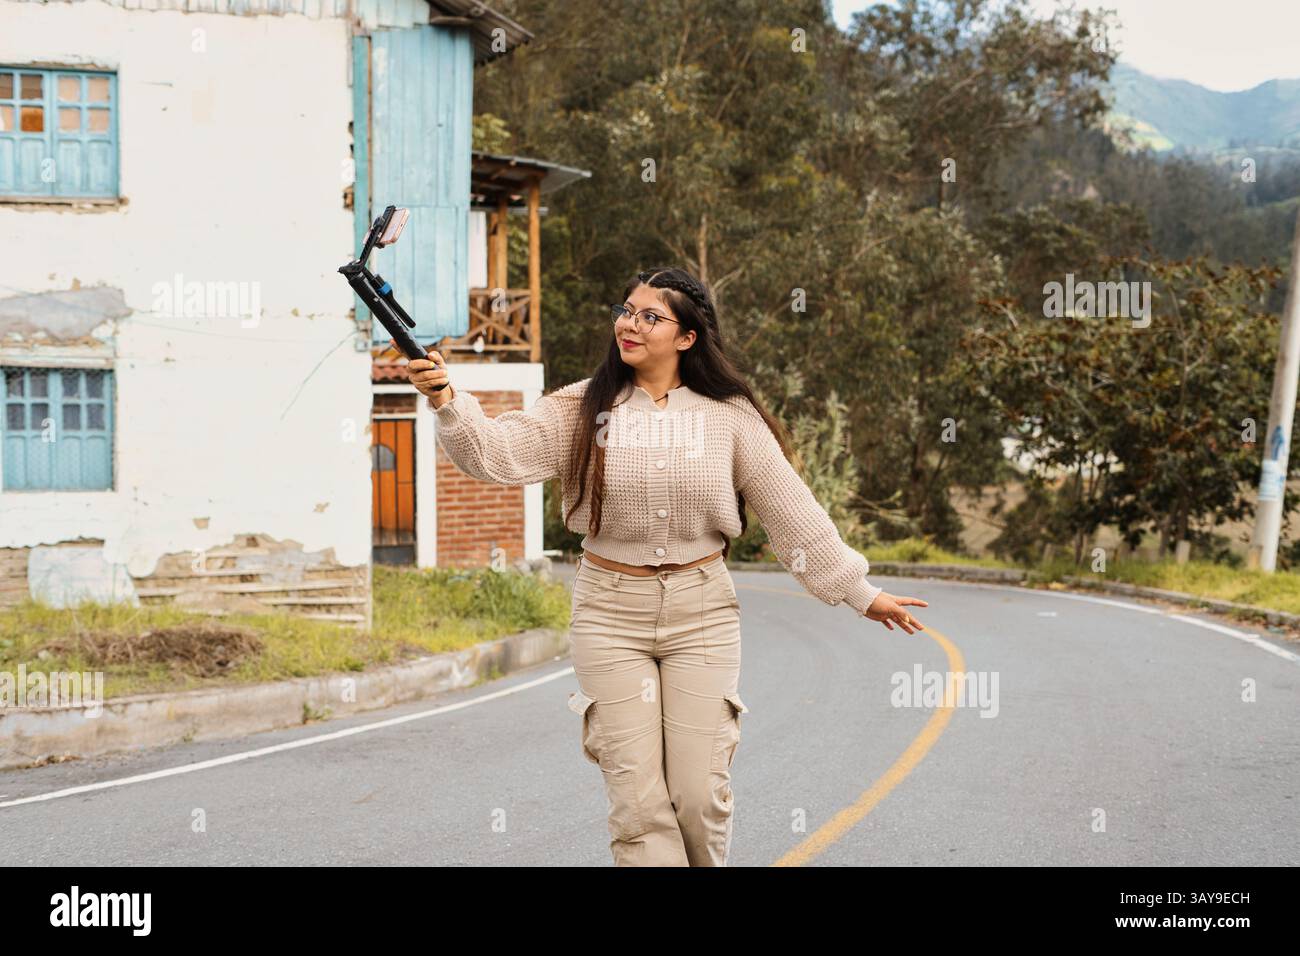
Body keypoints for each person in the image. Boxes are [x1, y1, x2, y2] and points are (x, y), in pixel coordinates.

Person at [400, 266, 929, 866]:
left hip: (701, 611)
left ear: (686, 338)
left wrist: (859, 592)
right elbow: (496, 455)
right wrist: (446, 399)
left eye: (650, 316)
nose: (630, 323)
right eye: (626, 310)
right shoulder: (582, 407)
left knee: (699, 795)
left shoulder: (729, 417)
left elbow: (790, 510)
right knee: (639, 805)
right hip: (608, 614)